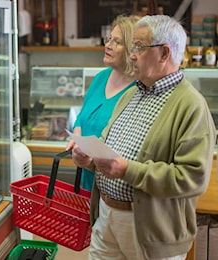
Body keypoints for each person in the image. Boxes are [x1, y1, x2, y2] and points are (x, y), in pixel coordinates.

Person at [71, 15, 216, 260]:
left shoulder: (190, 105)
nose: (131, 54)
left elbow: (192, 178)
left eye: (139, 47)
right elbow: (108, 149)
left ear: (164, 53)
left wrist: (128, 170)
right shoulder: (131, 95)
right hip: (106, 217)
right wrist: (89, 158)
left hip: (150, 230)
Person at [66, 14, 140, 191]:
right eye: (109, 39)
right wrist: (77, 142)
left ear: (132, 50)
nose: (108, 45)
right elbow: (82, 118)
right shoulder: (101, 78)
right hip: (88, 182)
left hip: (116, 187)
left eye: (117, 42)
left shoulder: (140, 89)